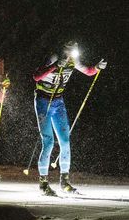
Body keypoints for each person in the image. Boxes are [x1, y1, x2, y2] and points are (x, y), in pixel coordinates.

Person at [33, 41, 107, 196]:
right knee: (48, 142)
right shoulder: (54, 57)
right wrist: (54, 66)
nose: (73, 55)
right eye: (70, 51)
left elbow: (87, 71)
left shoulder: (73, 60)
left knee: (65, 141)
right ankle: (43, 183)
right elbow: (37, 76)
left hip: (58, 101)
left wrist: (97, 68)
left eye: (75, 51)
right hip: (43, 100)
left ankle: (64, 181)